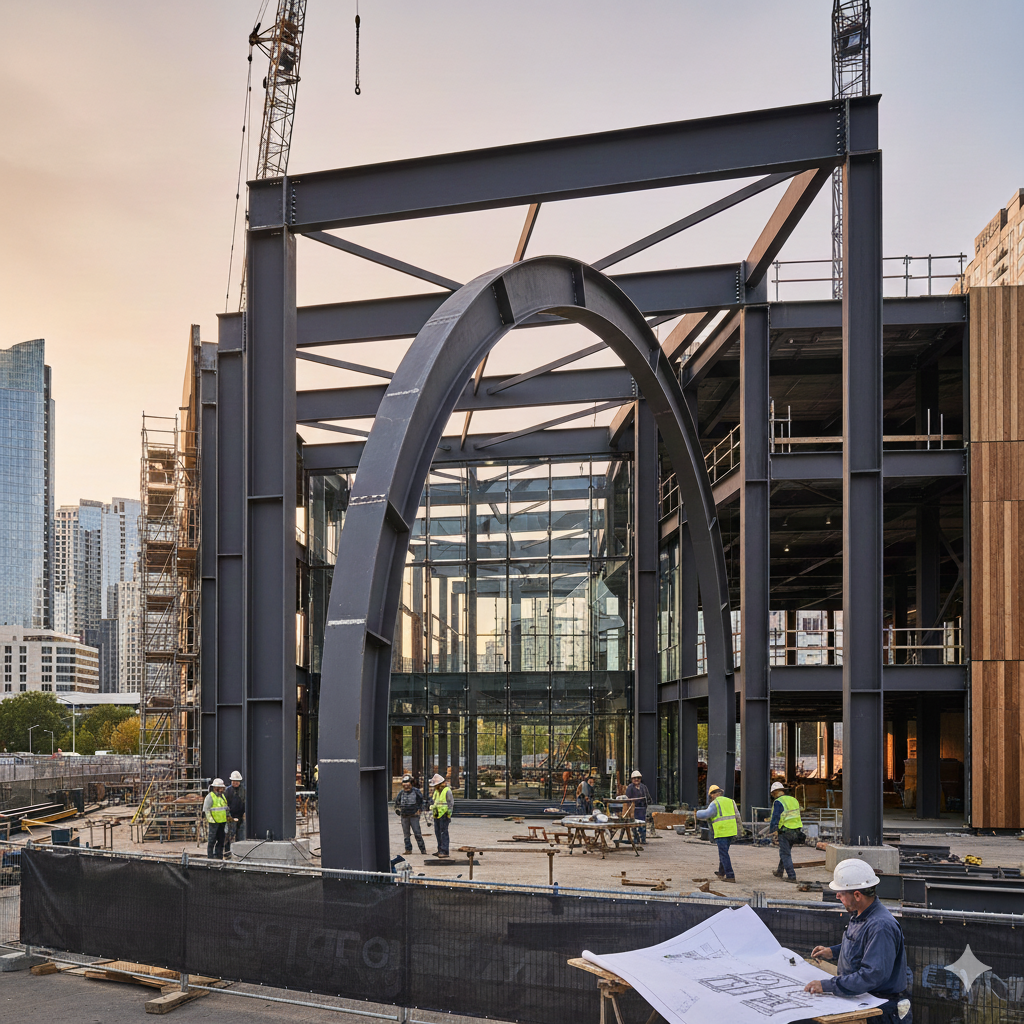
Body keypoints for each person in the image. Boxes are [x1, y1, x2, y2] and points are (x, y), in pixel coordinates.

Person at [804, 858, 912, 1024]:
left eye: (841, 893)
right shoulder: (861, 915)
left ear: (857, 895)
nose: (837, 896)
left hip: (881, 1011)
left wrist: (828, 986)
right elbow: (861, 945)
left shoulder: (880, 926)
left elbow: (872, 975)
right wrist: (833, 951)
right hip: (865, 1001)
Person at [694, 783, 741, 883]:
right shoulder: (731, 801)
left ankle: (730, 875)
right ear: (720, 792)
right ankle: (721, 872)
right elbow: (738, 816)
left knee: (723, 854)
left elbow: (708, 814)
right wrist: (740, 830)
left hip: (721, 831)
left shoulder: (715, 803)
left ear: (712, 795)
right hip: (731, 831)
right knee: (724, 852)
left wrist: (697, 813)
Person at [767, 781, 802, 883]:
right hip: (796, 830)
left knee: (785, 853)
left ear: (774, 792)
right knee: (785, 851)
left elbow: (776, 817)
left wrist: (773, 830)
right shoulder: (794, 800)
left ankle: (791, 876)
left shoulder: (779, 802)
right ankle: (779, 871)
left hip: (785, 831)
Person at [394, 774, 427, 854]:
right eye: (404, 785)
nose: (406, 787)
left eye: (408, 785)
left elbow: (422, 802)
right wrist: (398, 810)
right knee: (406, 834)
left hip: (414, 816)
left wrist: (420, 810)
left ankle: (422, 849)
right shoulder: (401, 793)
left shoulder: (416, 792)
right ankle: (408, 849)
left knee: (417, 833)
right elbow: (397, 803)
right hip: (404, 816)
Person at [624, 770, 653, 845]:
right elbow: (627, 799)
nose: (636, 780)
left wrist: (648, 804)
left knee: (642, 824)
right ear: (632, 779)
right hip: (634, 809)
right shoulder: (630, 788)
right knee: (634, 825)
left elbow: (648, 797)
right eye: (634, 778)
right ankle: (636, 839)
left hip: (642, 808)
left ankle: (643, 839)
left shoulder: (643, 787)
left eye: (638, 778)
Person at [203, 778, 229, 859]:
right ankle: (210, 857)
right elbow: (206, 810)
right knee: (212, 841)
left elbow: (225, 808)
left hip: (222, 822)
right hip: (214, 823)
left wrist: (228, 818)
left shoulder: (223, 797)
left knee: (221, 841)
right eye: (220, 788)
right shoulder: (210, 797)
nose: (221, 790)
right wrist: (211, 820)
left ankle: (219, 856)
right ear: (216, 788)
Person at [429, 773, 454, 857]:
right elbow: (434, 801)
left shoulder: (447, 790)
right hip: (437, 814)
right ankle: (440, 849)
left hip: (444, 814)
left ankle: (444, 851)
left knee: (443, 833)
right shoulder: (436, 792)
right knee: (438, 832)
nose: (434, 787)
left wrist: (448, 814)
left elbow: (450, 803)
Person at [224, 770, 246, 857]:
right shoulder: (228, 791)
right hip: (230, 816)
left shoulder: (243, 791)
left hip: (240, 816)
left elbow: (245, 802)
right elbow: (225, 804)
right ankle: (227, 853)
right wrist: (228, 815)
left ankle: (239, 854)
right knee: (229, 836)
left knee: (240, 836)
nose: (235, 783)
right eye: (234, 781)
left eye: (237, 781)